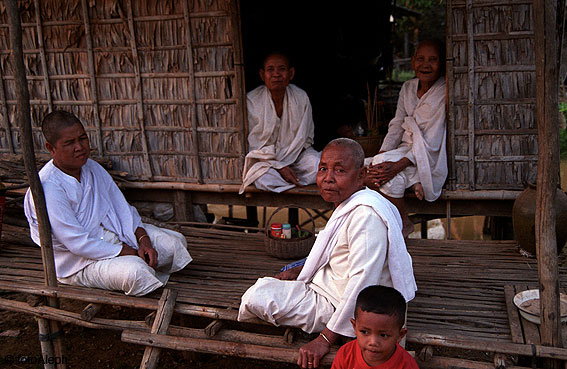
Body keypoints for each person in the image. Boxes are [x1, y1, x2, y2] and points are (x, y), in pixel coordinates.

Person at [238, 138, 417, 368]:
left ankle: (342, 330)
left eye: (339, 170)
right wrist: (299, 269)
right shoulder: (350, 203)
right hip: (329, 286)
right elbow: (336, 254)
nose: (328, 177)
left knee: (257, 297)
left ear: (361, 174)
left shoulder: (366, 217)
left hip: (343, 303)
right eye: (323, 168)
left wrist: (324, 339)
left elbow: (362, 284)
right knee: (265, 286)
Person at [24, 110, 192, 296]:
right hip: (80, 262)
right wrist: (125, 251)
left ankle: (147, 266)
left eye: (83, 138)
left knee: (174, 244)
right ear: (51, 148)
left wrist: (143, 241)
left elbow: (123, 211)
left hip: (117, 236)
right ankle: (145, 271)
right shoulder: (48, 187)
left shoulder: (92, 168)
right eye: (69, 143)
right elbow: (77, 244)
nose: (79, 147)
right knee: (135, 271)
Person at [365, 39, 447, 237]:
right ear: (412, 62)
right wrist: (384, 152)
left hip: (430, 154)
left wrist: (397, 164)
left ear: (443, 63)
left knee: (383, 168)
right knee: (370, 166)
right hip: (405, 150)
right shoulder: (408, 87)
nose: (425, 65)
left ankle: (401, 220)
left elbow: (433, 139)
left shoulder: (444, 90)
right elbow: (397, 123)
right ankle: (411, 184)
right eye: (420, 59)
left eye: (433, 60)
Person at [239, 52, 320, 194]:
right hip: (265, 160)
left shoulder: (300, 97)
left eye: (281, 69)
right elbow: (253, 145)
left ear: (291, 73)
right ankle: (293, 184)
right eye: (270, 70)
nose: (276, 74)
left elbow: (306, 137)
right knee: (263, 177)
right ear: (262, 75)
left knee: (316, 165)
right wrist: (279, 166)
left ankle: (288, 182)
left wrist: (290, 159)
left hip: (296, 157)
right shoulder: (252, 101)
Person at [331, 285, 419, 369]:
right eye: (364, 332)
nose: (373, 342)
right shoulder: (346, 354)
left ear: (400, 335)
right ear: (354, 327)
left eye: (383, 335)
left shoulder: (406, 365)